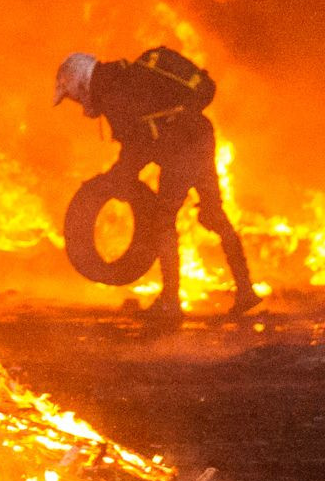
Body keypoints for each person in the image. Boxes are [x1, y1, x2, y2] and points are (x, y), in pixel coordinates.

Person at [56, 46, 258, 321]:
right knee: (213, 214)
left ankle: (171, 302)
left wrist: (115, 179)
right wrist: (120, 175)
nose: (78, 103)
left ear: (80, 83)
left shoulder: (114, 92)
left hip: (180, 148)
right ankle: (246, 290)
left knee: (163, 220)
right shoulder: (122, 77)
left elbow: (137, 147)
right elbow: (144, 135)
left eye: (73, 97)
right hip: (199, 135)